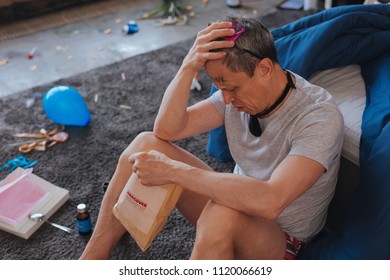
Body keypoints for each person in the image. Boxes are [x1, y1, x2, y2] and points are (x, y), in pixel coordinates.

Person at [80, 16, 344, 260]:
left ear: (264, 68)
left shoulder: (318, 117)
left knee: (222, 213)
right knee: (145, 144)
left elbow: (270, 202)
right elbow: (166, 131)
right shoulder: (235, 96)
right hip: (236, 204)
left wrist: (175, 172)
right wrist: (187, 67)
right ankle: (91, 261)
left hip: (281, 240)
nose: (226, 99)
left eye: (232, 87)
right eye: (220, 88)